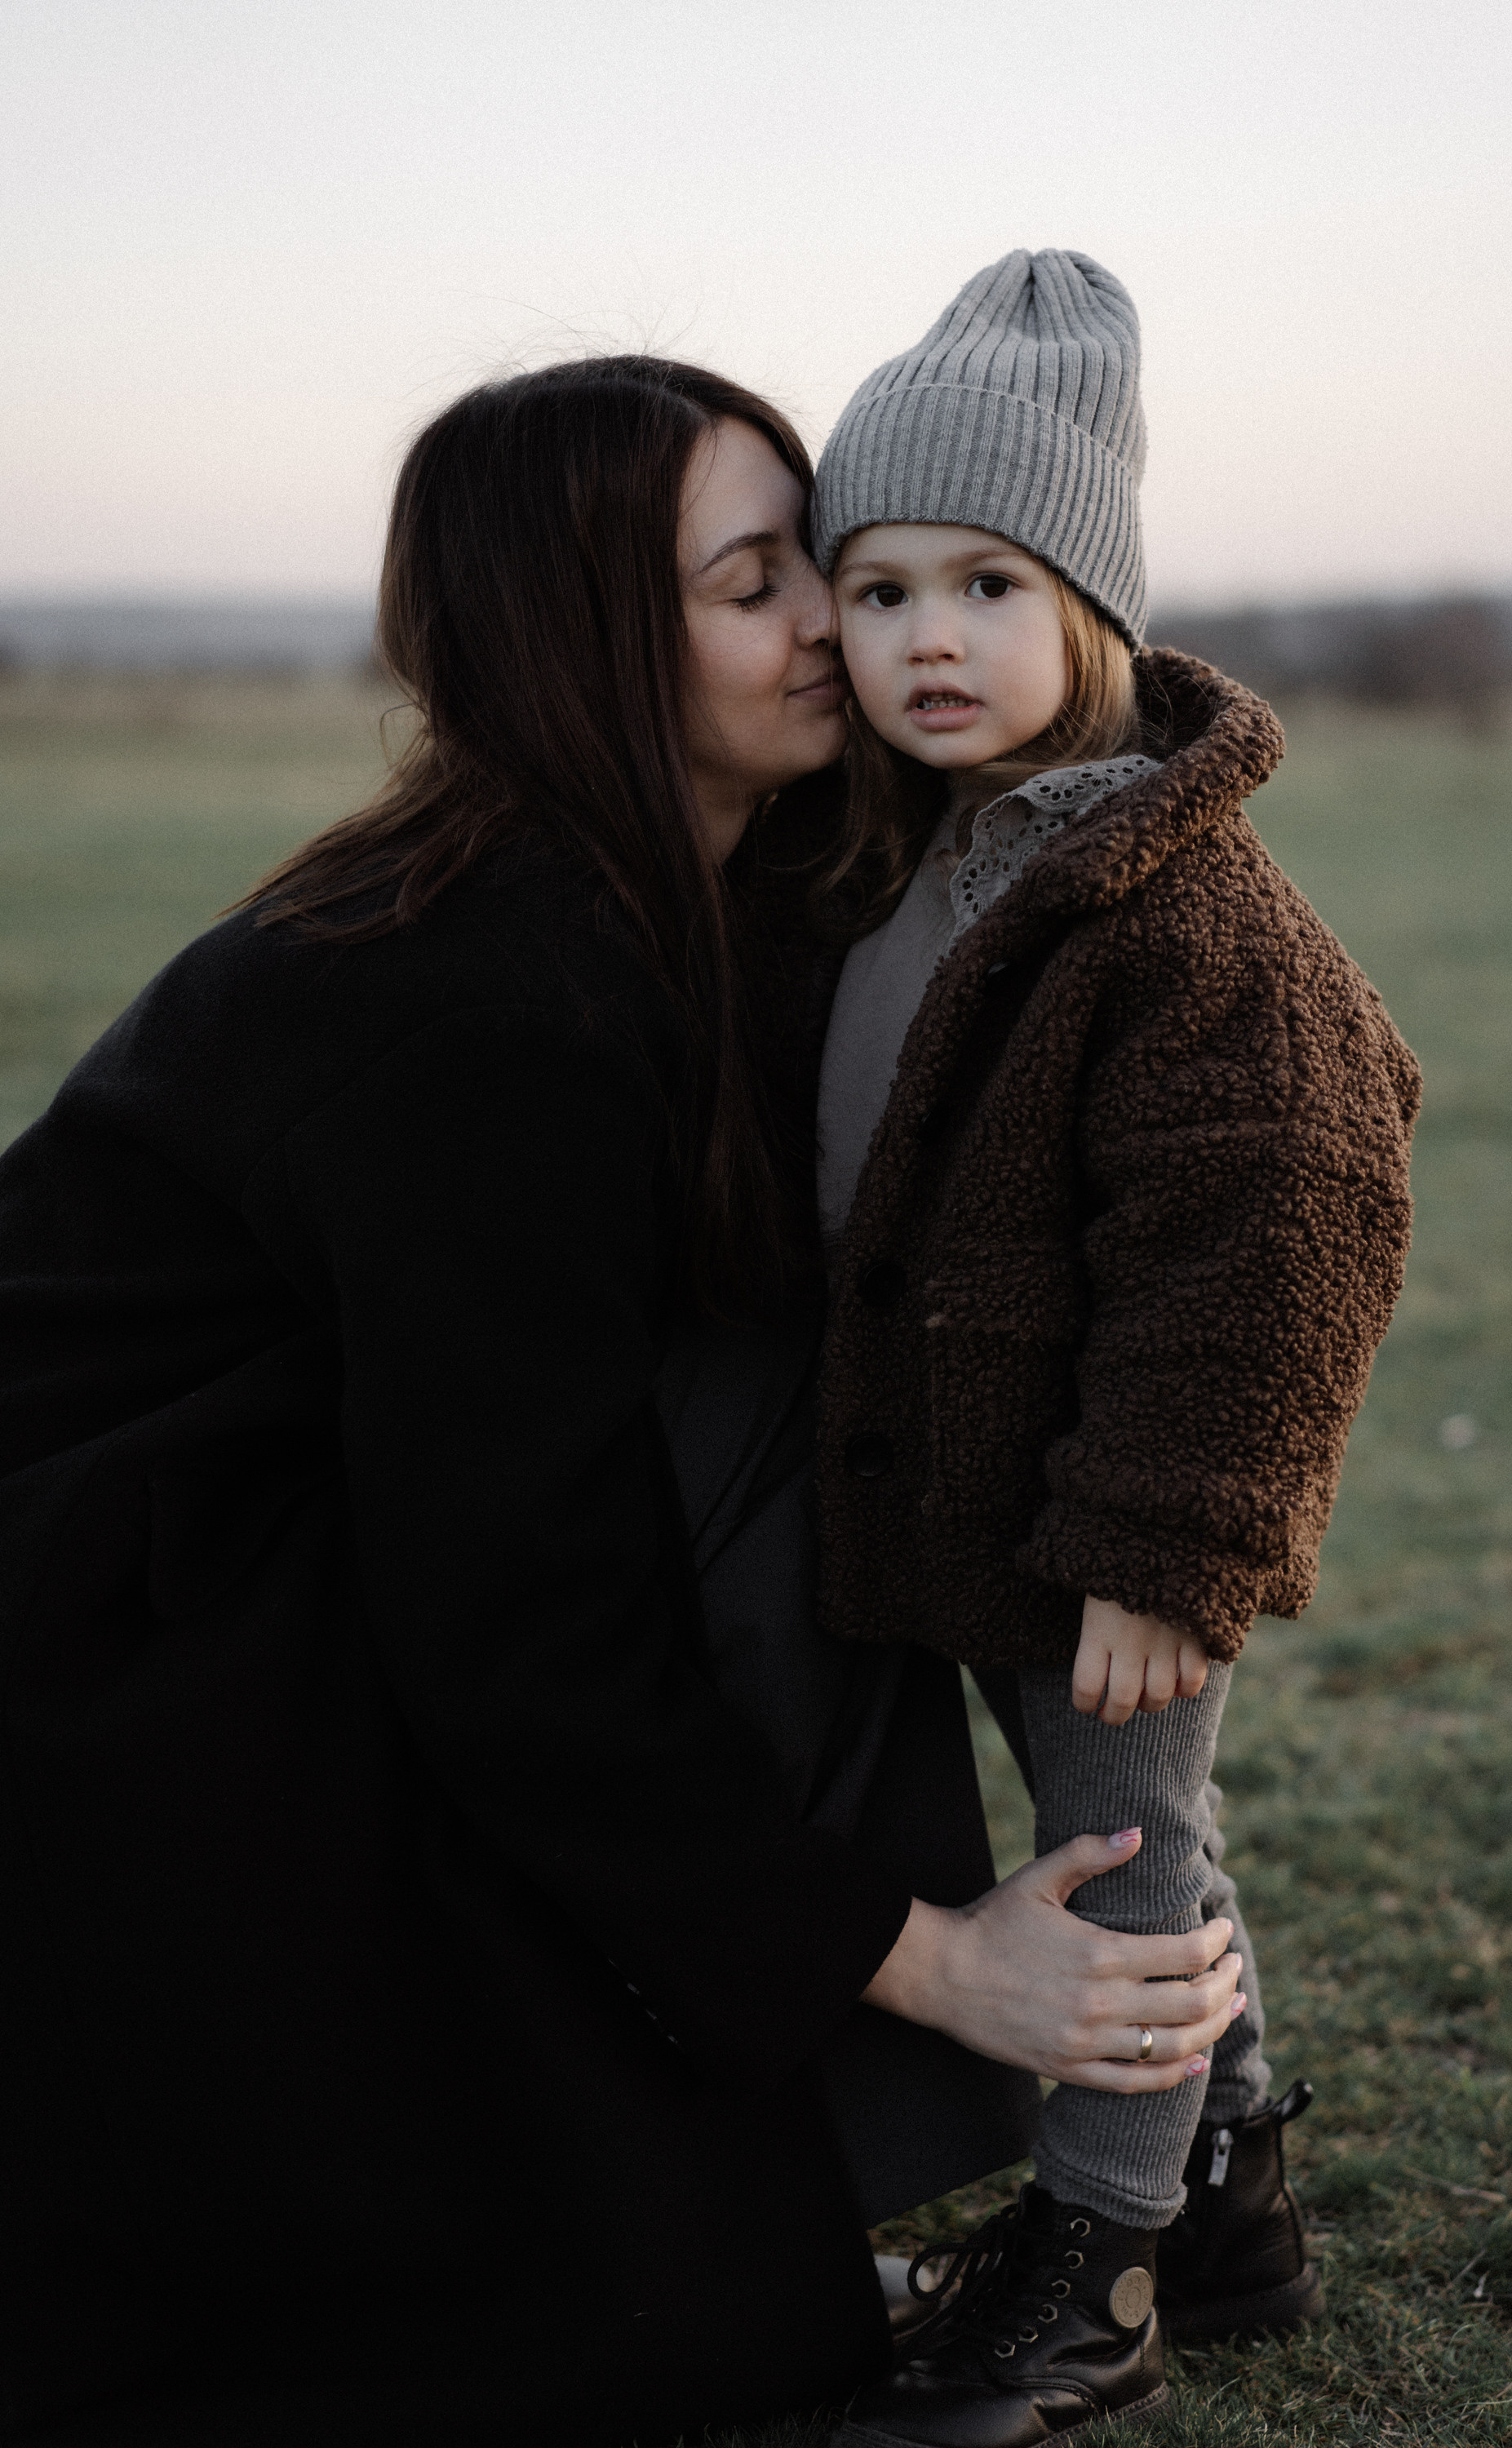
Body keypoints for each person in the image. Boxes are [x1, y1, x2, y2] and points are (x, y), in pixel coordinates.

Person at [0, 353, 1246, 2448]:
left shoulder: (703, 904)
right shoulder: (489, 990)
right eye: (763, 586)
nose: (838, 636)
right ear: (589, 636)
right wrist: (921, 1955)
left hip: (267, 1543)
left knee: (839, 1391)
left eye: (829, 575)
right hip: (109, 1652)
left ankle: (1158, 2150)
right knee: (791, 1426)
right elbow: (521, 1626)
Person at [807, 252, 1422, 2445]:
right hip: (941, 1482)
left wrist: (1169, 1535)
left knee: (1112, 1868)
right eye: (872, 592)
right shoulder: (905, 863)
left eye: (986, 581)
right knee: (1144, 1848)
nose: (924, 639)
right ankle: (1232, 2184)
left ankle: (1098, 2274)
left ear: (1096, 608)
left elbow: (1287, 1221)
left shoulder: (1185, 905)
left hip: (1109, 1524)